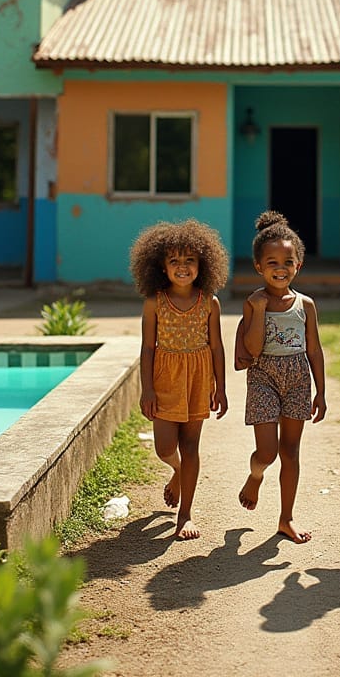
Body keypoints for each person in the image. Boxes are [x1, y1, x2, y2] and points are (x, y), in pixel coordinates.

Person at [130, 219, 229, 540]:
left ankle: (185, 514)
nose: (182, 267)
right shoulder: (153, 302)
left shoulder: (209, 301)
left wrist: (222, 387)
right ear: (161, 266)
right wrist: (147, 388)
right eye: (174, 261)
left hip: (198, 378)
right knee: (164, 447)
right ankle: (176, 471)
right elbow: (147, 348)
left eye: (190, 260)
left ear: (204, 264)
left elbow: (216, 346)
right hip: (164, 378)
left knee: (190, 446)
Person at [234, 211, 326, 543]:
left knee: (290, 452)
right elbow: (254, 348)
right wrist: (258, 310)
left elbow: (314, 350)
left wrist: (321, 392)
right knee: (268, 453)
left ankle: (286, 519)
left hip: (298, 378)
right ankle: (256, 475)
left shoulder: (306, 305)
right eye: (271, 262)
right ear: (259, 266)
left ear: (298, 264)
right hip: (264, 376)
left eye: (288, 261)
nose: (280, 268)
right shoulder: (253, 303)